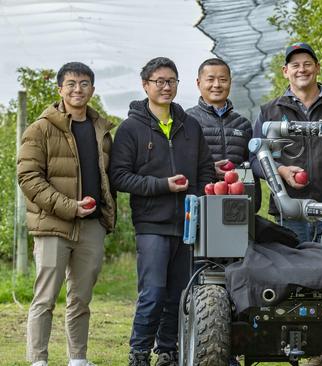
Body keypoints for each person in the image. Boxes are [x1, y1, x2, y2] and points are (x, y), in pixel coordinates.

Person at [109, 57, 215, 366]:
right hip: (151, 223)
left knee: (177, 295)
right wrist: (162, 186)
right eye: (159, 81)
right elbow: (119, 176)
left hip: (186, 224)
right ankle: (139, 352)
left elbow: (205, 170)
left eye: (171, 81)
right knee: (153, 292)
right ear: (145, 85)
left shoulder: (190, 126)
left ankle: (167, 351)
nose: (166, 86)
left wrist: (195, 199)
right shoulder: (130, 129)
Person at [17, 62, 116, 366]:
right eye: (71, 84)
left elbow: (107, 175)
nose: (78, 89)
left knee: (81, 298)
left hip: (91, 227)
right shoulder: (41, 128)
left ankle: (78, 359)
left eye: (84, 83)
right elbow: (29, 178)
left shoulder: (102, 130)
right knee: (45, 297)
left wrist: (102, 213)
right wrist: (69, 206)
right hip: (53, 225)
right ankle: (38, 360)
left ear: (92, 90)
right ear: (59, 89)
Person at [251, 42, 322, 243]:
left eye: (307, 64)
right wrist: (280, 170)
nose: (302, 69)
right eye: (295, 65)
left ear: (317, 67)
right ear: (285, 71)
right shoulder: (270, 111)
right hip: (290, 211)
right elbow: (255, 159)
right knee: (293, 270)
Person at [186, 58, 260, 212]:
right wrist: (208, 170)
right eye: (210, 79)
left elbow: (251, 166)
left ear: (230, 82)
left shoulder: (243, 125)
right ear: (198, 83)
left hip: (236, 206)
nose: (217, 85)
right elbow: (178, 164)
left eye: (223, 80)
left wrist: (254, 203)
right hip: (199, 204)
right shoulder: (186, 121)